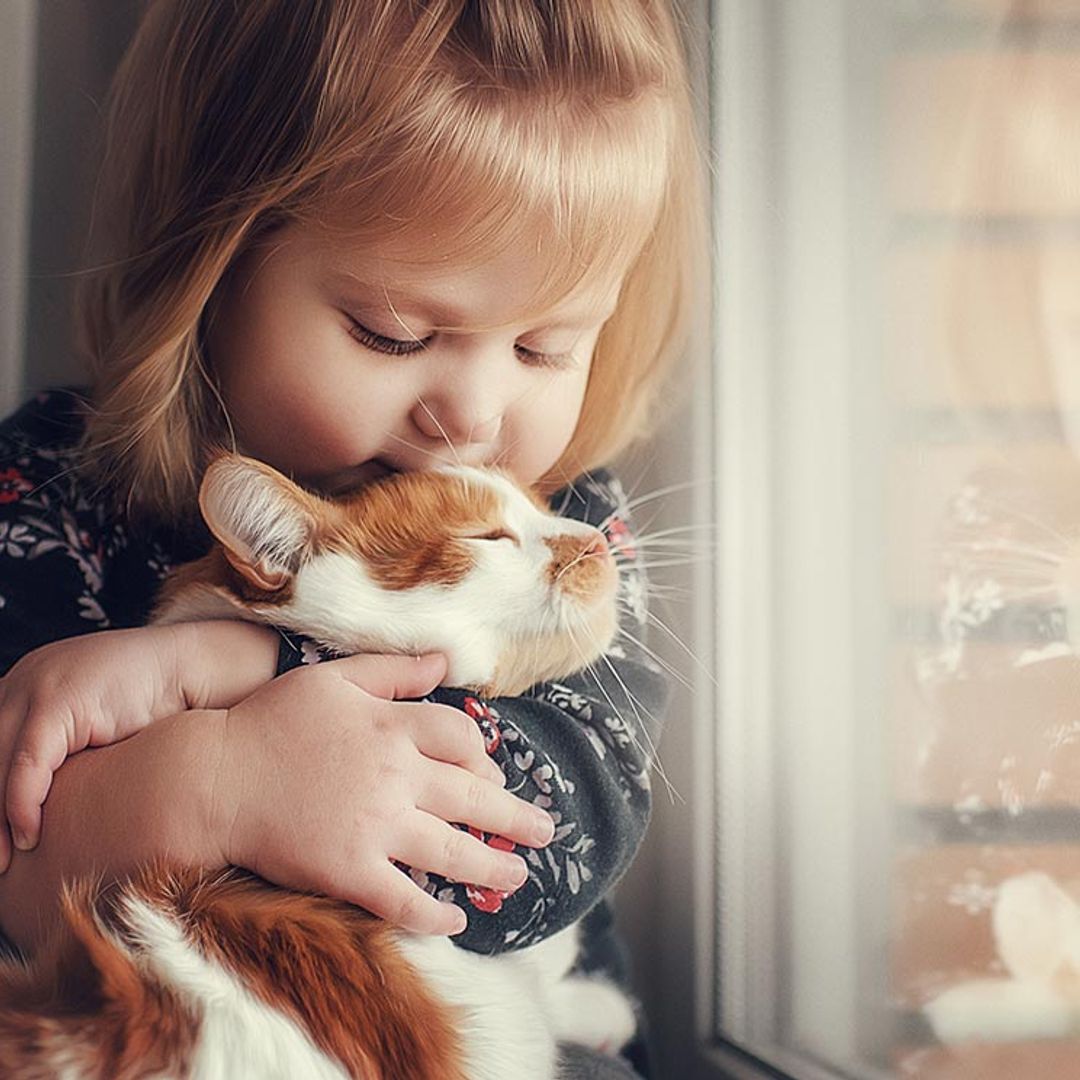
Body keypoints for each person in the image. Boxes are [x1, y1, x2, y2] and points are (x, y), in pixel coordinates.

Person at [0, 1, 703, 1075]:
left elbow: (563, 832)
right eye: (395, 334)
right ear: (216, 264)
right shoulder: (55, 490)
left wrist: (241, 665)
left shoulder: (564, 527)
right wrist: (208, 786)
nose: (471, 416)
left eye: (545, 347)